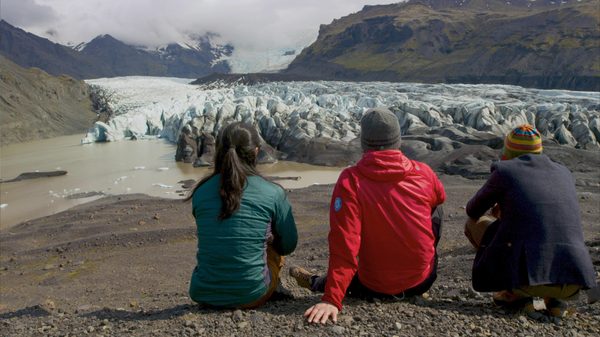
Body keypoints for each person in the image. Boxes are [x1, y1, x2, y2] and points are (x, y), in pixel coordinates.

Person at [290, 107, 446, 324]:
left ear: (364, 142)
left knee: (351, 261)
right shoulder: (424, 172)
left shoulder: (351, 180)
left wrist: (332, 300)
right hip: (421, 281)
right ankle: (413, 261)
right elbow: (440, 197)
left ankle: (317, 283)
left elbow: (344, 244)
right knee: (436, 208)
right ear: (398, 140)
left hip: (373, 285)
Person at [464, 124, 597, 316]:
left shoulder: (505, 171)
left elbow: (473, 210)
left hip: (525, 281)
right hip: (572, 282)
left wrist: (499, 211)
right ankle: (556, 301)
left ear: (508, 150)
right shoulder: (563, 172)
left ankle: (514, 293)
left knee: (472, 224)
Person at [186, 122, 298, 308]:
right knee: (271, 246)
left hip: (203, 292)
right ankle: (272, 286)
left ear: (219, 150)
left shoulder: (201, 192)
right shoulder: (272, 192)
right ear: (255, 152)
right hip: (252, 294)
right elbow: (288, 245)